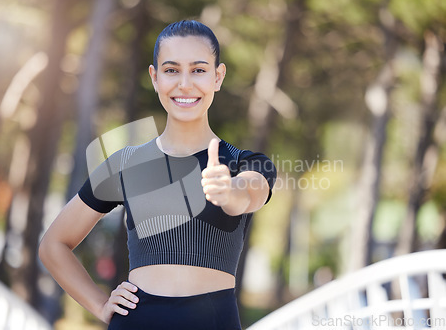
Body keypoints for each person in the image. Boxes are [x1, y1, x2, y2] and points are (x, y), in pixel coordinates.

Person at [39, 19, 277, 330]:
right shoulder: (124, 164)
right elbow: (53, 244)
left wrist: (229, 192)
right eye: (171, 70)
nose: (185, 84)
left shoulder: (248, 164)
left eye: (199, 70)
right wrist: (99, 304)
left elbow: (249, 194)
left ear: (218, 77)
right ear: (155, 77)